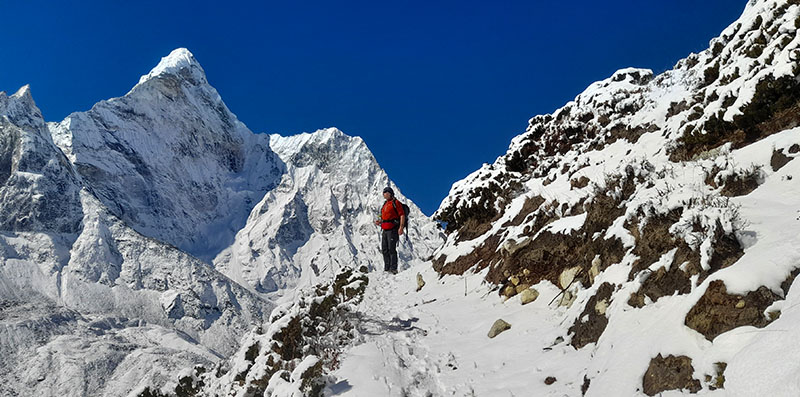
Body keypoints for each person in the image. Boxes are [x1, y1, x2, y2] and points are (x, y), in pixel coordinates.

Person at [374, 187, 405, 274]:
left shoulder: (396, 203)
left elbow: (402, 215)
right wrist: (380, 221)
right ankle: (387, 268)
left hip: (393, 229)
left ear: (390, 193)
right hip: (385, 229)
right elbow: (385, 217)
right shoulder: (385, 204)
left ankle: (393, 268)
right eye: (384, 193)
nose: (384, 194)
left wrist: (401, 227)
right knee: (384, 249)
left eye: (386, 192)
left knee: (391, 249)